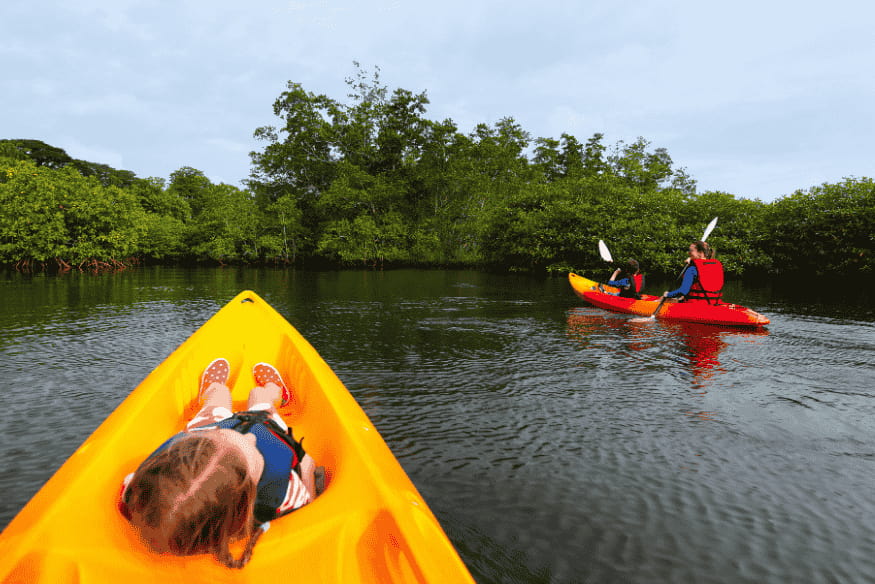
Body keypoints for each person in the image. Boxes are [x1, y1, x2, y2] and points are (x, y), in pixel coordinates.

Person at [119, 358, 324, 568]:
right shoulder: (284, 494)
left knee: (217, 400)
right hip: (263, 425)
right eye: (255, 453)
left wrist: (217, 433)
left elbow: (133, 484)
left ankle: (212, 390)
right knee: (260, 397)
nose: (251, 437)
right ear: (245, 503)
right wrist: (306, 466)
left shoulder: (141, 490)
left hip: (210, 429)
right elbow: (307, 486)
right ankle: (274, 391)